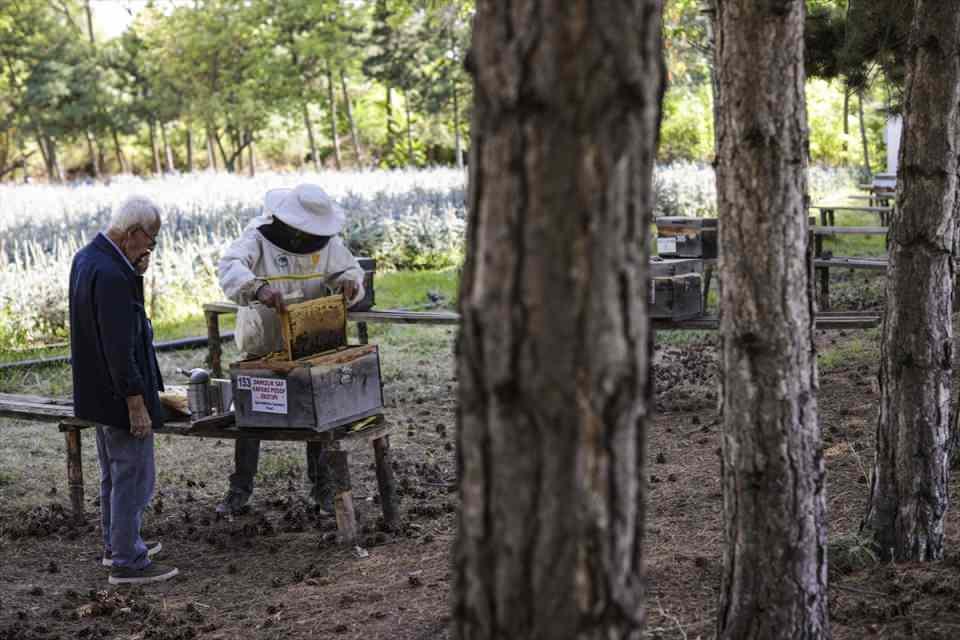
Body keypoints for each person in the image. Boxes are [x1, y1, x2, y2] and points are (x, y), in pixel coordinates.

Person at [217, 183, 365, 515]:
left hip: (310, 343)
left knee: (317, 414)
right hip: (263, 344)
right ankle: (239, 489)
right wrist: (257, 288)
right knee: (251, 418)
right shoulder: (257, 236)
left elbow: (350, 270)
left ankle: (322, 487)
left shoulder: (328, 243)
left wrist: (350, 284)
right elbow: (229, 266)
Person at [69, 196, 178, 585]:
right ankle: (128, 562)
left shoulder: (89, 258)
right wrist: (136, 402)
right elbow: (121, 344)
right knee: (133, 475)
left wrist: (137, 275)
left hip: (96, 391)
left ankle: (116, 544)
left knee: (114, 475)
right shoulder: (114, 274)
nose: (151, 247)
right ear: (133, 233)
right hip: (119, 394)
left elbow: (120, 319)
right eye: (151, 239)